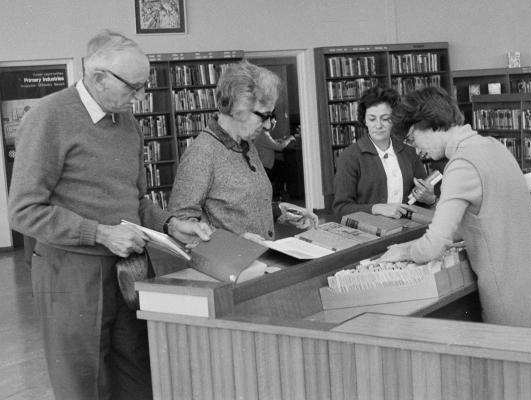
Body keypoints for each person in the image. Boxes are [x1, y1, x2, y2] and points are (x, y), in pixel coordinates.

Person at [8, 30, 213, 400]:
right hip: (71, 272)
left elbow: (134, 200)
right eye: (133, 87)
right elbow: (23, 211)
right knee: (83, 385)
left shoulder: (127, 122)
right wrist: (100, 233)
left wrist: (169, 223)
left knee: (138, 379)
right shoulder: (48, 117)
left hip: (128, 270)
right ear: (98, 77)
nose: (140, 97)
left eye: (144, 87)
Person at [378, 86, 531, 330]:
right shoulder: (493, 146)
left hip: (509, 295)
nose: (416, 150)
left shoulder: (461, 164)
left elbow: (433, 247)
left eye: (412, 138)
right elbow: (483, 222)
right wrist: (406, 245)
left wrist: (402, 253)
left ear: (430, 123)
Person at [168, 60, 317, 243]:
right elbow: (182, 223)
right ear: (239, 107)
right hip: (230, 268)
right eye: (264, 116)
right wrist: (234, 242)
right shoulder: (202, 154)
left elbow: (240, 206)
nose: (268, 125)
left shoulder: (246, 145)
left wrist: (282, 211)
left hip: (260, 261)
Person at [332, 86, 436, 218]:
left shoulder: (409, 153)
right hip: (368, 233)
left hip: (407, 228)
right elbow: (340, 208)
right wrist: (377, 208)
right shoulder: (350, 156)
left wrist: (429, 199)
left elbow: (421, 203)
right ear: (364, 121)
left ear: (394, 120)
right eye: (372, 119)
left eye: (385, 118)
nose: (378, 125)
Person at [254, 128, 295, 199]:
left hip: (263, 163)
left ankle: (279, 192)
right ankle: (277, 194)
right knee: (284, 169)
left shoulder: (261, 133)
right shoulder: (264, 134)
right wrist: (289, 139)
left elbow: (270, 143)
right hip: (265, 165)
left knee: (282, 165)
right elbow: (279, 147)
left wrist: (277, 141)